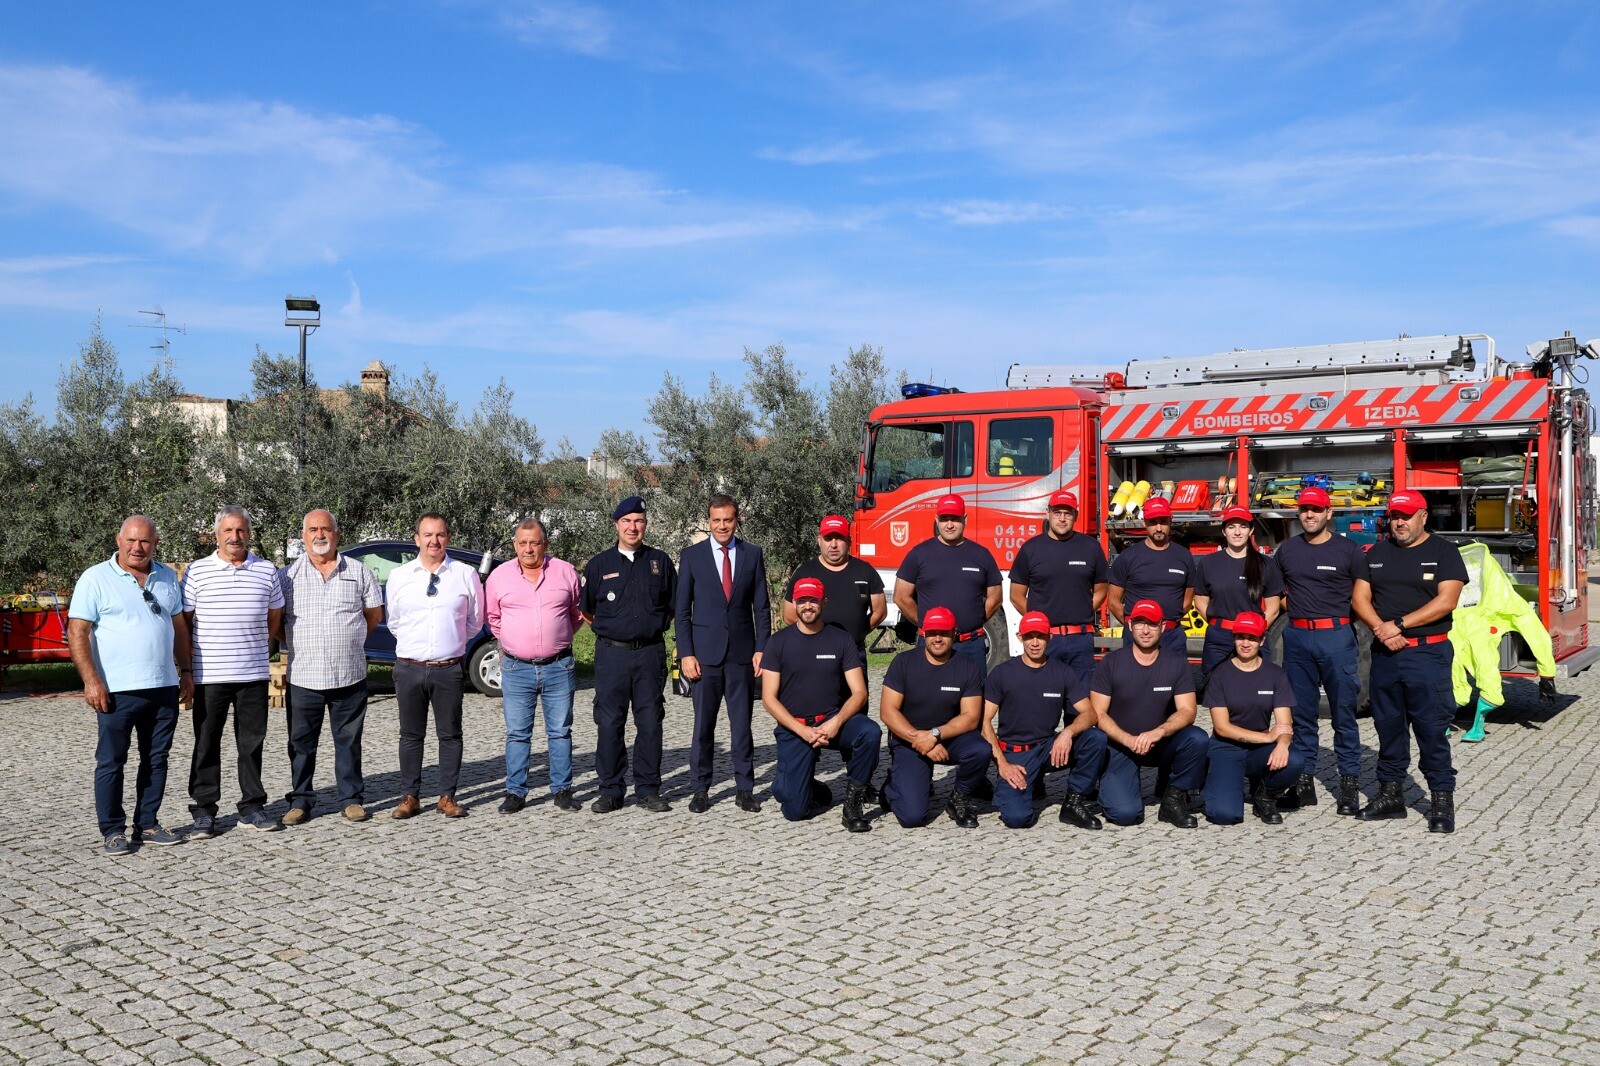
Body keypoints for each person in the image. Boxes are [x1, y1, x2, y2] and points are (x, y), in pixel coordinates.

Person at [67, 515, 192, 854]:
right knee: (112, 761)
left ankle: (147, 824)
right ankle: (112, 831)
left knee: (157, 759)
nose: (138, 547)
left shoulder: (167, 576)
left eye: (146, 541)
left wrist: (188, 672)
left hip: (163, 686)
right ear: (119, 540)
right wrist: (91, 681)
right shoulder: (95, 578)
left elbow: (179, 627)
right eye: (132, 540)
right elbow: (77, 631)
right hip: (115, 690)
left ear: (155, 543)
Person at [1352, 490, 1468, 833]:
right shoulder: (1376, 552)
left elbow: (1447, 600)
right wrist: (1381, 629)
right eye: (1394, 516)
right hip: (1386, 653)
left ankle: (1441, 802)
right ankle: (1391, 797)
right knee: (1388, 727)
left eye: (1406, 515)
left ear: (1423, 516)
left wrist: (1399, 625)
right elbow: (1359, 596)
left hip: (1426, 654)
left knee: (1431, 729)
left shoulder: (1444, 552)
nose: (1399, 522)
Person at [183, 506, 285, 836]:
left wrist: (259, 645)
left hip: (253, 674)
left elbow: (275, 616)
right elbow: (185, 621)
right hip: (209, 674)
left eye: (240, 530)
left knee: (251, 743)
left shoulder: (267, 570)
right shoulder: (197, 572)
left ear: (249, 534)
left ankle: (252, 807)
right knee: (206, 742)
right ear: (216, 535)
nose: (234, 537)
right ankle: (204, 810)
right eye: (228, 531)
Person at [278, 509, 384, 824]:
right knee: (300, 744)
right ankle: (300, 801)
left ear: (337, 534)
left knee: (349, 741)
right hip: (304, 675)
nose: (320, 535)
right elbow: (276, 624)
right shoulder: (287, 576)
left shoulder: (359, 572)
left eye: (326, 529)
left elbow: (374, 616)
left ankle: (351, 799)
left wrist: (349, 639)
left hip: (349, 674)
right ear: (303, 536)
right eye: (313, 529)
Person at [581, 496, 677, 813]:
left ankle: (648, 789)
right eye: (626, 521)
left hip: (650, 654)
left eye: (638, 520)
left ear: (645, 524)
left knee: (650, 723)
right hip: (613, 656)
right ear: (616, 525)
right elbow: (588, 612)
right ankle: (611, 790)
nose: (633, 527)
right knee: (610, 723)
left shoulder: (660, 563)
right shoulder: (599, 565)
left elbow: (672, 606)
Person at [385, 512, 484, 820]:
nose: (434, 540)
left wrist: (448, 643)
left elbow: (474, 621)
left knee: (450, 734)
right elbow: (395, 622)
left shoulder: (465, 575)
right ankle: (410, 796)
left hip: (448, 668)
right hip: (409, 667)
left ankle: (447, 796)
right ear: (417, 539)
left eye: (440, 534)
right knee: (410, 735)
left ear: (448, 538)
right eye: (427, 535)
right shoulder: (400, 576)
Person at [676, 494, 771, 813]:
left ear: (736, 519)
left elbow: (762, 606)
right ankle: (700, 788)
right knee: (703, 726)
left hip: (742, 656)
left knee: (742, 726)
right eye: (716, 520)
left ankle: (745, 788)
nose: (722, 526)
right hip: (703, 657)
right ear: (708, 522)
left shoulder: (752, 554)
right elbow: (682, 612)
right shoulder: (692, 556)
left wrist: (762, 648)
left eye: (727, 520)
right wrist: (685, 653)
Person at [1274, 485, 1366, 813]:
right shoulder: (1286, 550)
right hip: (1297, 638)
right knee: (1302, 715)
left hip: (1336, 637)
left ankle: (1349, 784)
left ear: (1329, 513)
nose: (1309, 515)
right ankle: (1304, 783)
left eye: (1316, 510)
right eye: (1304, 510)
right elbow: (1277, 593)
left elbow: (1362, 596)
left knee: (1343, 714)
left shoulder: (1349, 550)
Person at [761, 577, 879, 831]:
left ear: (823, 602)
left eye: (813, 600)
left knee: (870, 732)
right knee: (794, 811)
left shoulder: (841, 639)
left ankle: (853, 803)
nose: (807, 606)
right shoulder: (778, 642)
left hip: (831, 720)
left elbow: (860, 692)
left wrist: (836, 722)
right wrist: (802, 730)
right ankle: (806, 785)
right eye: (802, 600)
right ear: (793, 603)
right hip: (795, 727)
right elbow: (768, 698)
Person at [486, 517, 583, 815]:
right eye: (523, 543)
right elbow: (493, 618)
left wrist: (555, 639)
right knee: (517, 733)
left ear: (545, 544)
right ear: (515, 544)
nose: (529, 549)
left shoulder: (566, 572)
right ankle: (515, 792)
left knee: (560, 731)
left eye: (535, 542)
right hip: (517, 668)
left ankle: (562, 790)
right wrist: (517, 643)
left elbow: (577, 614)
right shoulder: (499, 577)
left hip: (558, 666)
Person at [982, 611, 1107, 830]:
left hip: (1048, 747)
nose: (1035, 643)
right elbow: (984, 722)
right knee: (1017, 819)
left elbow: (1090, 713)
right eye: (1029, 636)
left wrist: (1067, 733)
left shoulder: (1063, 672)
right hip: (1015, 754)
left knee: (1095, 738)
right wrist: (1003, 765)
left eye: (1040, 636)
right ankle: (1026, 783)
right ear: (1020, 637)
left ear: (1050, 637)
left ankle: (1073, 802)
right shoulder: (1002, 673)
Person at [1089, 599, 1208, 828]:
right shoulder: (1110, 663)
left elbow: (1188, 710)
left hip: (1159, 743)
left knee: (1197, 738)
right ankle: (1109, 785)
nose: (1145, 630)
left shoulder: (1177, 663)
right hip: (1121, 745)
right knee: (1125, 815)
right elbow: (1098, 714)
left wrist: (1158, 732)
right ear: (1130, 625)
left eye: (1152, 624)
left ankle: (1172, 801)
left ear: (1163, 627)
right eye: (1140, 623)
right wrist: (1128, 739)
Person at [878, 606, 992, 829]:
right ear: (923, 634)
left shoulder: (967, 666)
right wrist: (922, 741)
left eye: (944, 632)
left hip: (948, 735)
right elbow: (888, 711)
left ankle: (959, 799)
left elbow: (970, 717)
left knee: (980, 750)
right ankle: (893, 786)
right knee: (912, 818)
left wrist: (935, 735)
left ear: (954, 634)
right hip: (909, 739)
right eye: (932, 633)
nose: (937, 638)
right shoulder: (903, 663)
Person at [1199, 611, 1304, 826]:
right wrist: (1266, 739)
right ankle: (1214, 781)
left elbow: (1284, 724)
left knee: (1294, 760)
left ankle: (1264, 795)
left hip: (1258, 751)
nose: (1245, 643)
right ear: (1234, 638)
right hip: (1226, 747)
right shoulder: (1220, 674)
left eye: (1252, 638)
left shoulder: (1275, 674)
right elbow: (1222, 728)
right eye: (1240, 637)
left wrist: (1282, 744)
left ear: (1262, 640)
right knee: (1224, 815)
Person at [892, 494, 1003, 682]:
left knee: (974, 704)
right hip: (931, 645)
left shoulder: (981, 555)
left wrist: (974, 621)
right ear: (936, 520)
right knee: (928, 703)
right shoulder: (919, 554)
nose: (949, 525)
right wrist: (927, 625)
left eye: (955, 519)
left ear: (965, 519)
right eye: (944, 519)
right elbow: (901, 596)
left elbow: (995, 597)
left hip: (971, 645)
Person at [1007, 489, 1109, 681]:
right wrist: (1037, 622)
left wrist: (1084, 610)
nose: (1062, 518)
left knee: (1079, 703)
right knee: (1043, 700)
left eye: (1068, 513)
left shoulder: (1090, 547)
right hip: (1045, 640)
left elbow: (1102, 588)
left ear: (1075, 516)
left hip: (1080, 640)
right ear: (1048, 513)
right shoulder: (1031, 549)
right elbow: (1016, 595)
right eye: (1057, 512)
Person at [782, 514, 886, 662]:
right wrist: (816, 638)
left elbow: (880, 611)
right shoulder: (804, 573)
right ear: (819, 541)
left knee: (857, 687)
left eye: (839, 538)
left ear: (849, 540)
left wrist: (859, 633)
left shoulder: (865, 571)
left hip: (854, 653)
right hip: (814, 652)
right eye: (828, 538)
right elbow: (789, 615)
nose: (834, 544)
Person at [1194, 505, 1283, 679]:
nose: (1237, 532)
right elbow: (1200, 601)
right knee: (1216, 690)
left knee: (1257, 687)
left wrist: (1254, 631)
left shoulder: (1266, 565)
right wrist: (1217, 625)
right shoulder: (1209, 563)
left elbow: (1273, 609)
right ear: (1223, 530)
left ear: (1250, 530)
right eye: (1231, 526)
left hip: (1253, 637)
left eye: (1243, 526)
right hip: (1219, 638)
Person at [1107, 497, 1194, 657]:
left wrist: (1168, 623)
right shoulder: (1128, 557)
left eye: (1163, 521)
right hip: (1138, 638)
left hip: (1172, 637)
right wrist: (1136, 627)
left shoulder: (1184, 557)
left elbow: (1187, 599)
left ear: (1171, 521)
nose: (1159, 528)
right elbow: (1113, 602)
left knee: (1175, 680)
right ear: (1144, 523)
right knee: (1135, 681)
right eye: (1153, 522)